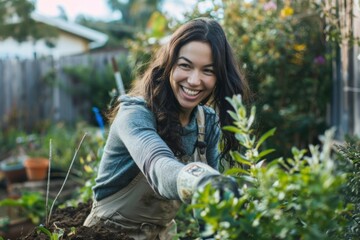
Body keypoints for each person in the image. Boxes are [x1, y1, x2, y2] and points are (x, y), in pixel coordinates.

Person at [83, 17, 250, 239]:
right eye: (185, 66)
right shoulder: (134, 114)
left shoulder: (206, 123)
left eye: (207, 71)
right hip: (108, 233)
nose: (194, 80)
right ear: (169, 65)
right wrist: (200, 181)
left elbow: (209, 209)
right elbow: (158, 165)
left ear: (219, 77)